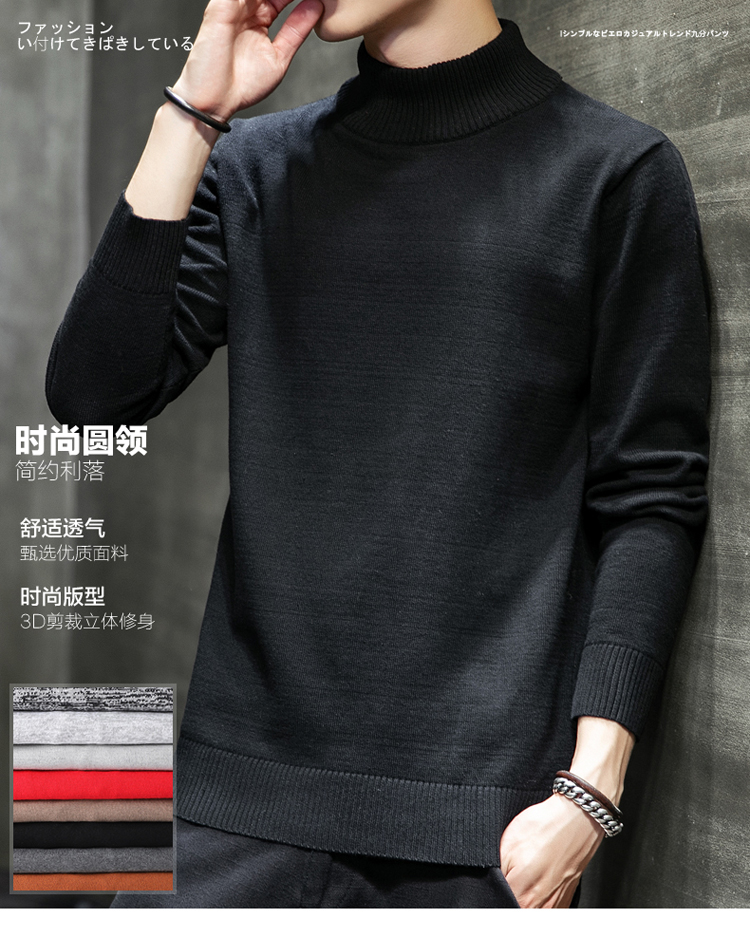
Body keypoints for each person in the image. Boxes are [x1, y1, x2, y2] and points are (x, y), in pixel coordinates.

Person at [46, 0, 711, 908]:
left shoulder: (615, 171)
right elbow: (90, 397)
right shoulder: (255, 166)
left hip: (476, 827)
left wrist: (592, 787)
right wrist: (193, 112)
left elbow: (651, 494)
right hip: (222, 799)